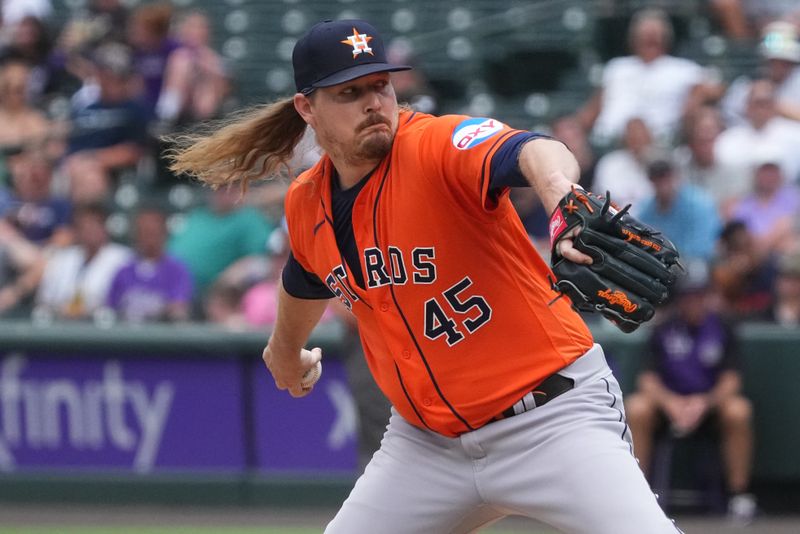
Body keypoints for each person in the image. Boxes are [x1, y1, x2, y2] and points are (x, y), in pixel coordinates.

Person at [168, 19, 682, 533]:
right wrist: (283, 353)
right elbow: (304, 278)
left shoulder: (437, 145)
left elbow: (530, 150)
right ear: (307, 108)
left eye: (381, 85)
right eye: (350, 92)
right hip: (427, 446)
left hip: (552, 420)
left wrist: (561, 198)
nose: (374, 102)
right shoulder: (307, 200)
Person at [624, 261, 756, 523]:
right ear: (680, 299)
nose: (694, 302)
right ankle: (637, 493)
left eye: (700, 295)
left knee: (739, 410)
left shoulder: (723, 326)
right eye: (689, 296)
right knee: (637, 406)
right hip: (669, 405)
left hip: (710, 406)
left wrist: (704, 403)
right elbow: (648, 379)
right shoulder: (663, 327)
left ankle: (739, 495)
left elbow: (731, 380)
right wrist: (672, 403)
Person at [106, 206, 192, 323]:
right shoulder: (124, 271)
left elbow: (179, 309)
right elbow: (110, 310)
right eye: (144, 232)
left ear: (164, 234)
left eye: (154, 233)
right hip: (125, 336)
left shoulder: (177, 270)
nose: (149, 239)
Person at [637, 155, 721, 261]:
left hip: (700, 262)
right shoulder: (646, 209)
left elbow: (704, 247)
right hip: (663, 262)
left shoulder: (699, 203)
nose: (662, 182)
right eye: (656, 177)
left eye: (666, 176)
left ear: (676, 176)